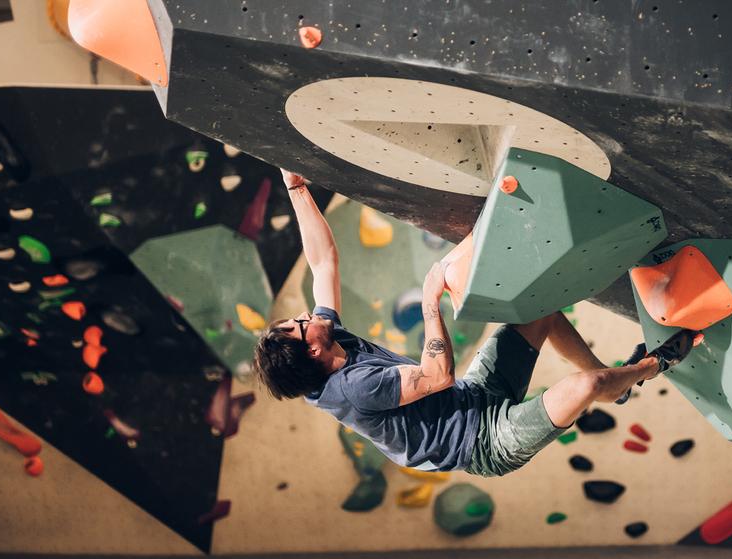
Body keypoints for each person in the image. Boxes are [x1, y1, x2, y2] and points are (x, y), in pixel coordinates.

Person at [252, 170, 694, 477]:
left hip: (473, 395)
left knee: (540, 312)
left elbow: (323, 261)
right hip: (486, 443)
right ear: (312, 349)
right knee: (586, 387)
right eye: (300, 324)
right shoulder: (352, 387)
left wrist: (295, 189)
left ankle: (615, 389)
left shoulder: (323, 344)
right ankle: (651, 366)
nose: (308, 316)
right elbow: (436, 376)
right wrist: (430, 301)